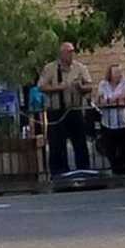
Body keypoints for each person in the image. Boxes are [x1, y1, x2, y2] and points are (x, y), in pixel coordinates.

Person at [38, 41, 94, 175]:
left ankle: (84, 169)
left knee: (80, 141)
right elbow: (41, 86)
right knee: (57, 143)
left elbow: (90, 85)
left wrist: (81, 87)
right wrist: (58, 87)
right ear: (61, 54)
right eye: (68, 52)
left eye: (72, 52)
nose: (71, 55)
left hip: (74, 109)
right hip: (57, 110)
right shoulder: (50, 68)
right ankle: (59, 171)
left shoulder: (79, 68)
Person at [96, 62, 125, 177]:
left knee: (124, 147)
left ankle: (123, 170)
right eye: (116, 72)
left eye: (120, 72)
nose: (119, 74)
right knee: (110, 149)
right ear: (110, 74)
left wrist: (108, 100)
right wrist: (111, 100)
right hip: (108, 121)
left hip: (124, 121)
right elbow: (99, 100)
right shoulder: (103, 84)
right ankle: (115, 169)